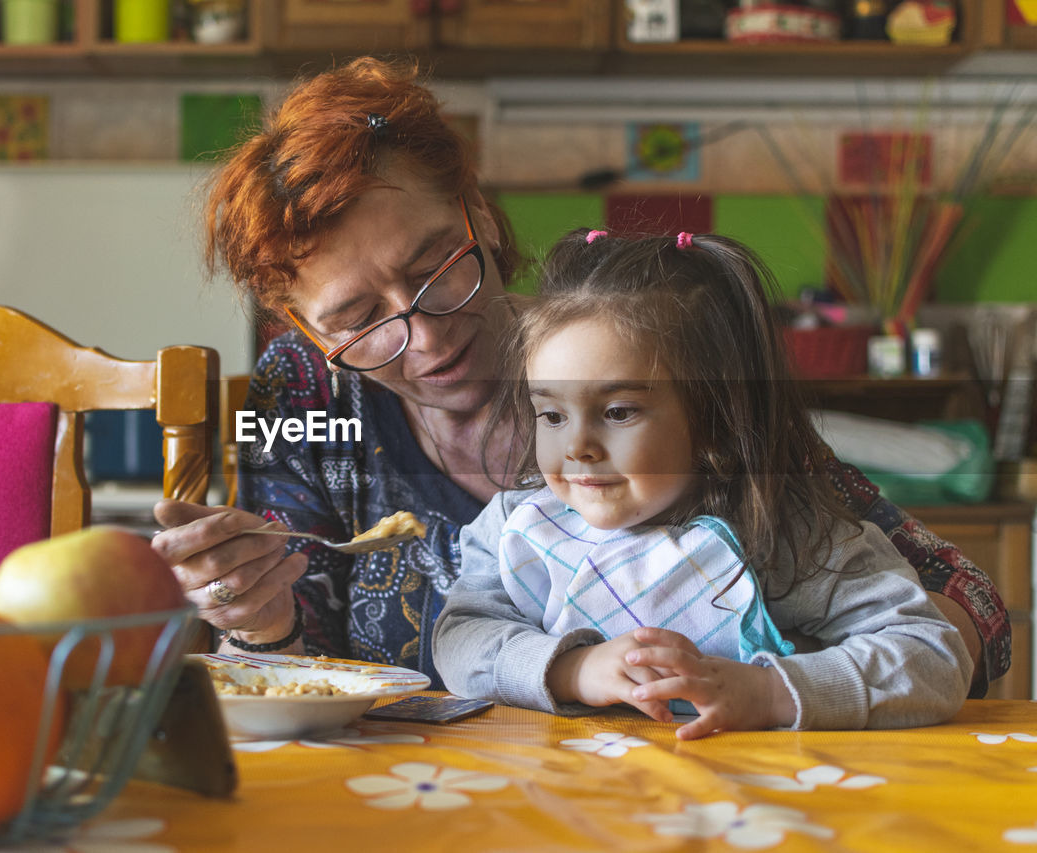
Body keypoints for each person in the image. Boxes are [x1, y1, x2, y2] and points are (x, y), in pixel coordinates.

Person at [149, 56, 1008, 696]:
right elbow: (285, 664)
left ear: (477, 214)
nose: (422, 333)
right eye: (357, 318)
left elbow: (969, 606)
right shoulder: (298, 393)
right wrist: (260, 619)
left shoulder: (621, 353)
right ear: (299, 327)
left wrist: (777, 679)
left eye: (434, 268)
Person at [432, 230, 972, 738]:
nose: (577, 447)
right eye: (551, 415)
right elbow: (460, 640)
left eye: (618, 411)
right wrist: (573, 669)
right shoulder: (517, 529)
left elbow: (933, 654)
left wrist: (771, 692)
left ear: (715, 417)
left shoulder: (786, 532)